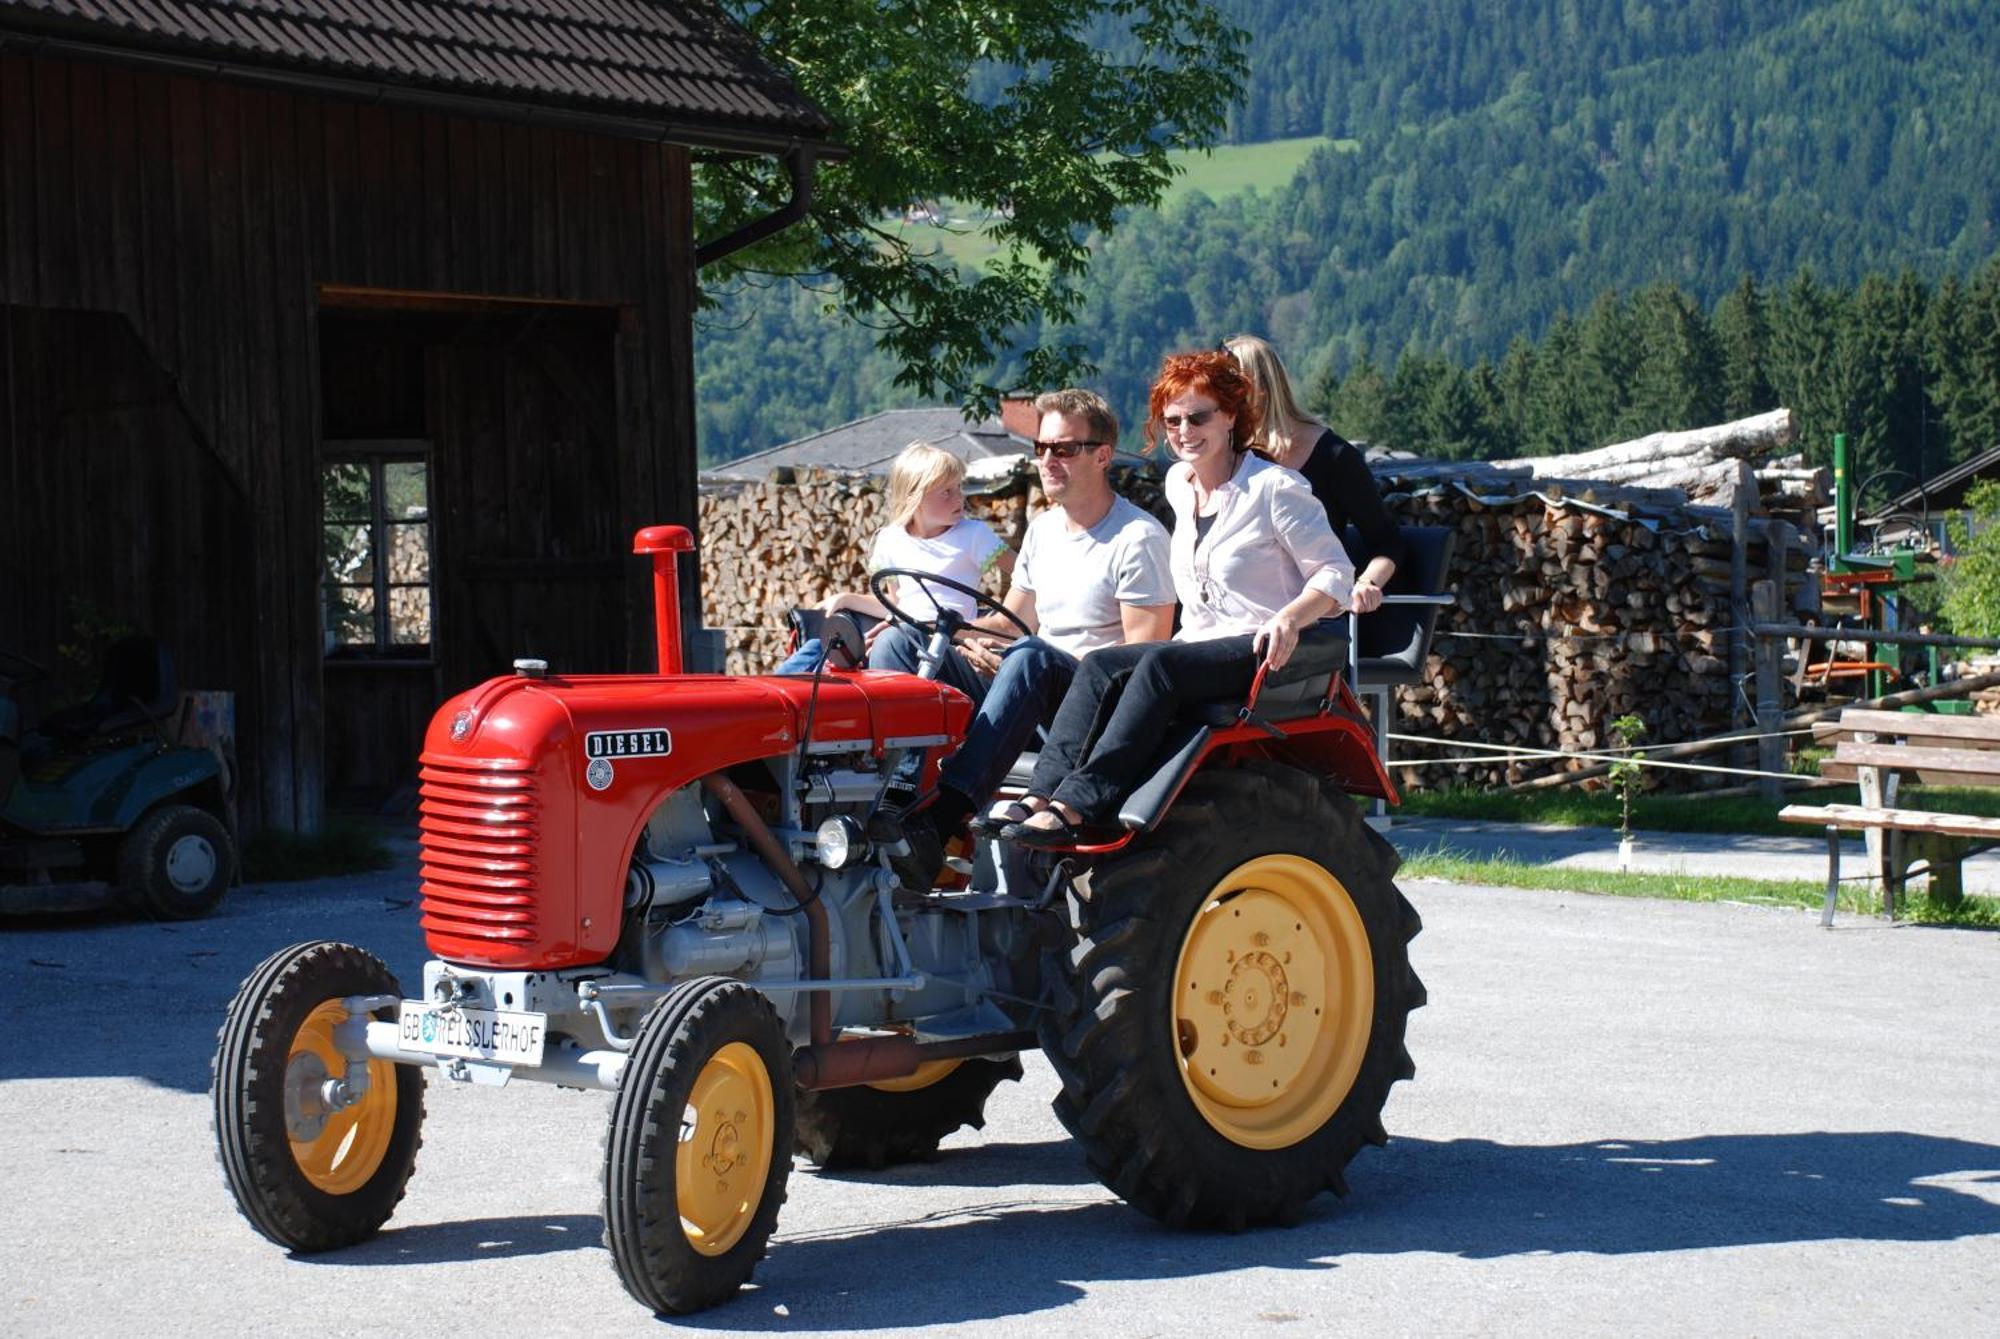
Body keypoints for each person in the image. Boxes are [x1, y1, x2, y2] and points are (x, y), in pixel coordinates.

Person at [1005, 351, 1353, 848]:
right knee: (1102, 665)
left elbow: (1337, 572)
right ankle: (1040, 796)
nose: (1184, 430)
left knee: (1159, 668)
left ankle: (1078, 803)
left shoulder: (1275, 488)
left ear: (1231, 415)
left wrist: (1291, 618)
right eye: (1172, 420)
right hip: (1200, 643)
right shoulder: (1179, 484)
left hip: (1259, 647)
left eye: (1198, 416)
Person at [919, 389, 1175, 840]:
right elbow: (1011, 622)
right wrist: (951, 632)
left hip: (1090, 705)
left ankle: (945, 818)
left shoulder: (1137, 538)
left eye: (1064, 449)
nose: (1047, 459)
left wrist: (1020, 655)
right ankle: (893, 792)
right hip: (1030, 681)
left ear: (1103, 456)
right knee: (904, 643)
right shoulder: (1042, 531)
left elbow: (1143, 652)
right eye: (1041, 448)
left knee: (1031, 657)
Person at [775, 441, 1012, 675]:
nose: (959, 498)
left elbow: (1024, 574)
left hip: (947, 645)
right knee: (821, 647)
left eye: (959, 487)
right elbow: (896, 603)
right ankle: (771, 699)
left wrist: (1003, 622)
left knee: (888, 642)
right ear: (914, 497)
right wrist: (847, 598)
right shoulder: (890, 539)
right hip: (900, 635)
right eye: (946, 492)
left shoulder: (973, 534)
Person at [1224, 334, 1404, 613]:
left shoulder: (1336, 457)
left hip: (1311, 617)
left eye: (1225, 391)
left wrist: (1367, 582)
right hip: (1242, 610)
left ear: (1256, 389)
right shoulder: (1231, 452)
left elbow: (1388, 541)